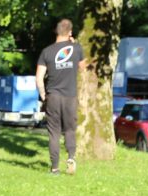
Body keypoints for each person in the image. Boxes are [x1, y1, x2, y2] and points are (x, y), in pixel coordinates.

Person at [36, 19, 85, 176]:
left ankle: (55, 168)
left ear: (56, 31)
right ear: (70, 32)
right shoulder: (76, 49)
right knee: (70, 130)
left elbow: (39, 77)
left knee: (54, 132)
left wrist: (44, 95)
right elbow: (83, 67)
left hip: (53, 96)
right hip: (70, 96)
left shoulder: (46, 51)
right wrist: (75, 44)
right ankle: (71, 158)